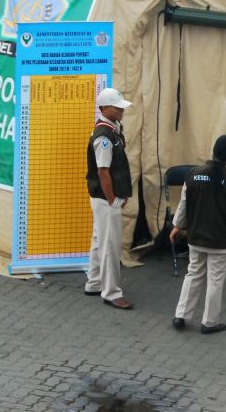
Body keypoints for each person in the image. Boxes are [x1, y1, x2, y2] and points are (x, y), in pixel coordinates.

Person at [170, 135, 226, 334]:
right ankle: (209, 322)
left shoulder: (193, 174)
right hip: (221, 240)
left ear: (214, 150)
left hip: (196, 236)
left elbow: (183, 205)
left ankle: (181, 315)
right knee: (215, 281)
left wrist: (176, 226)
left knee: (193, 274)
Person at [84, 87, 134, 310]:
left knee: (98, 241)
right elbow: (103, 172)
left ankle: (94, 283)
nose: (121, 110)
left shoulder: (110, 129)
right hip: (106, 200)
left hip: (103, 199)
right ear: (104, 108)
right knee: (110, 245)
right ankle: (112, 292)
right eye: (117, 107)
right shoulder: (104, 137)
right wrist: (113, 199)